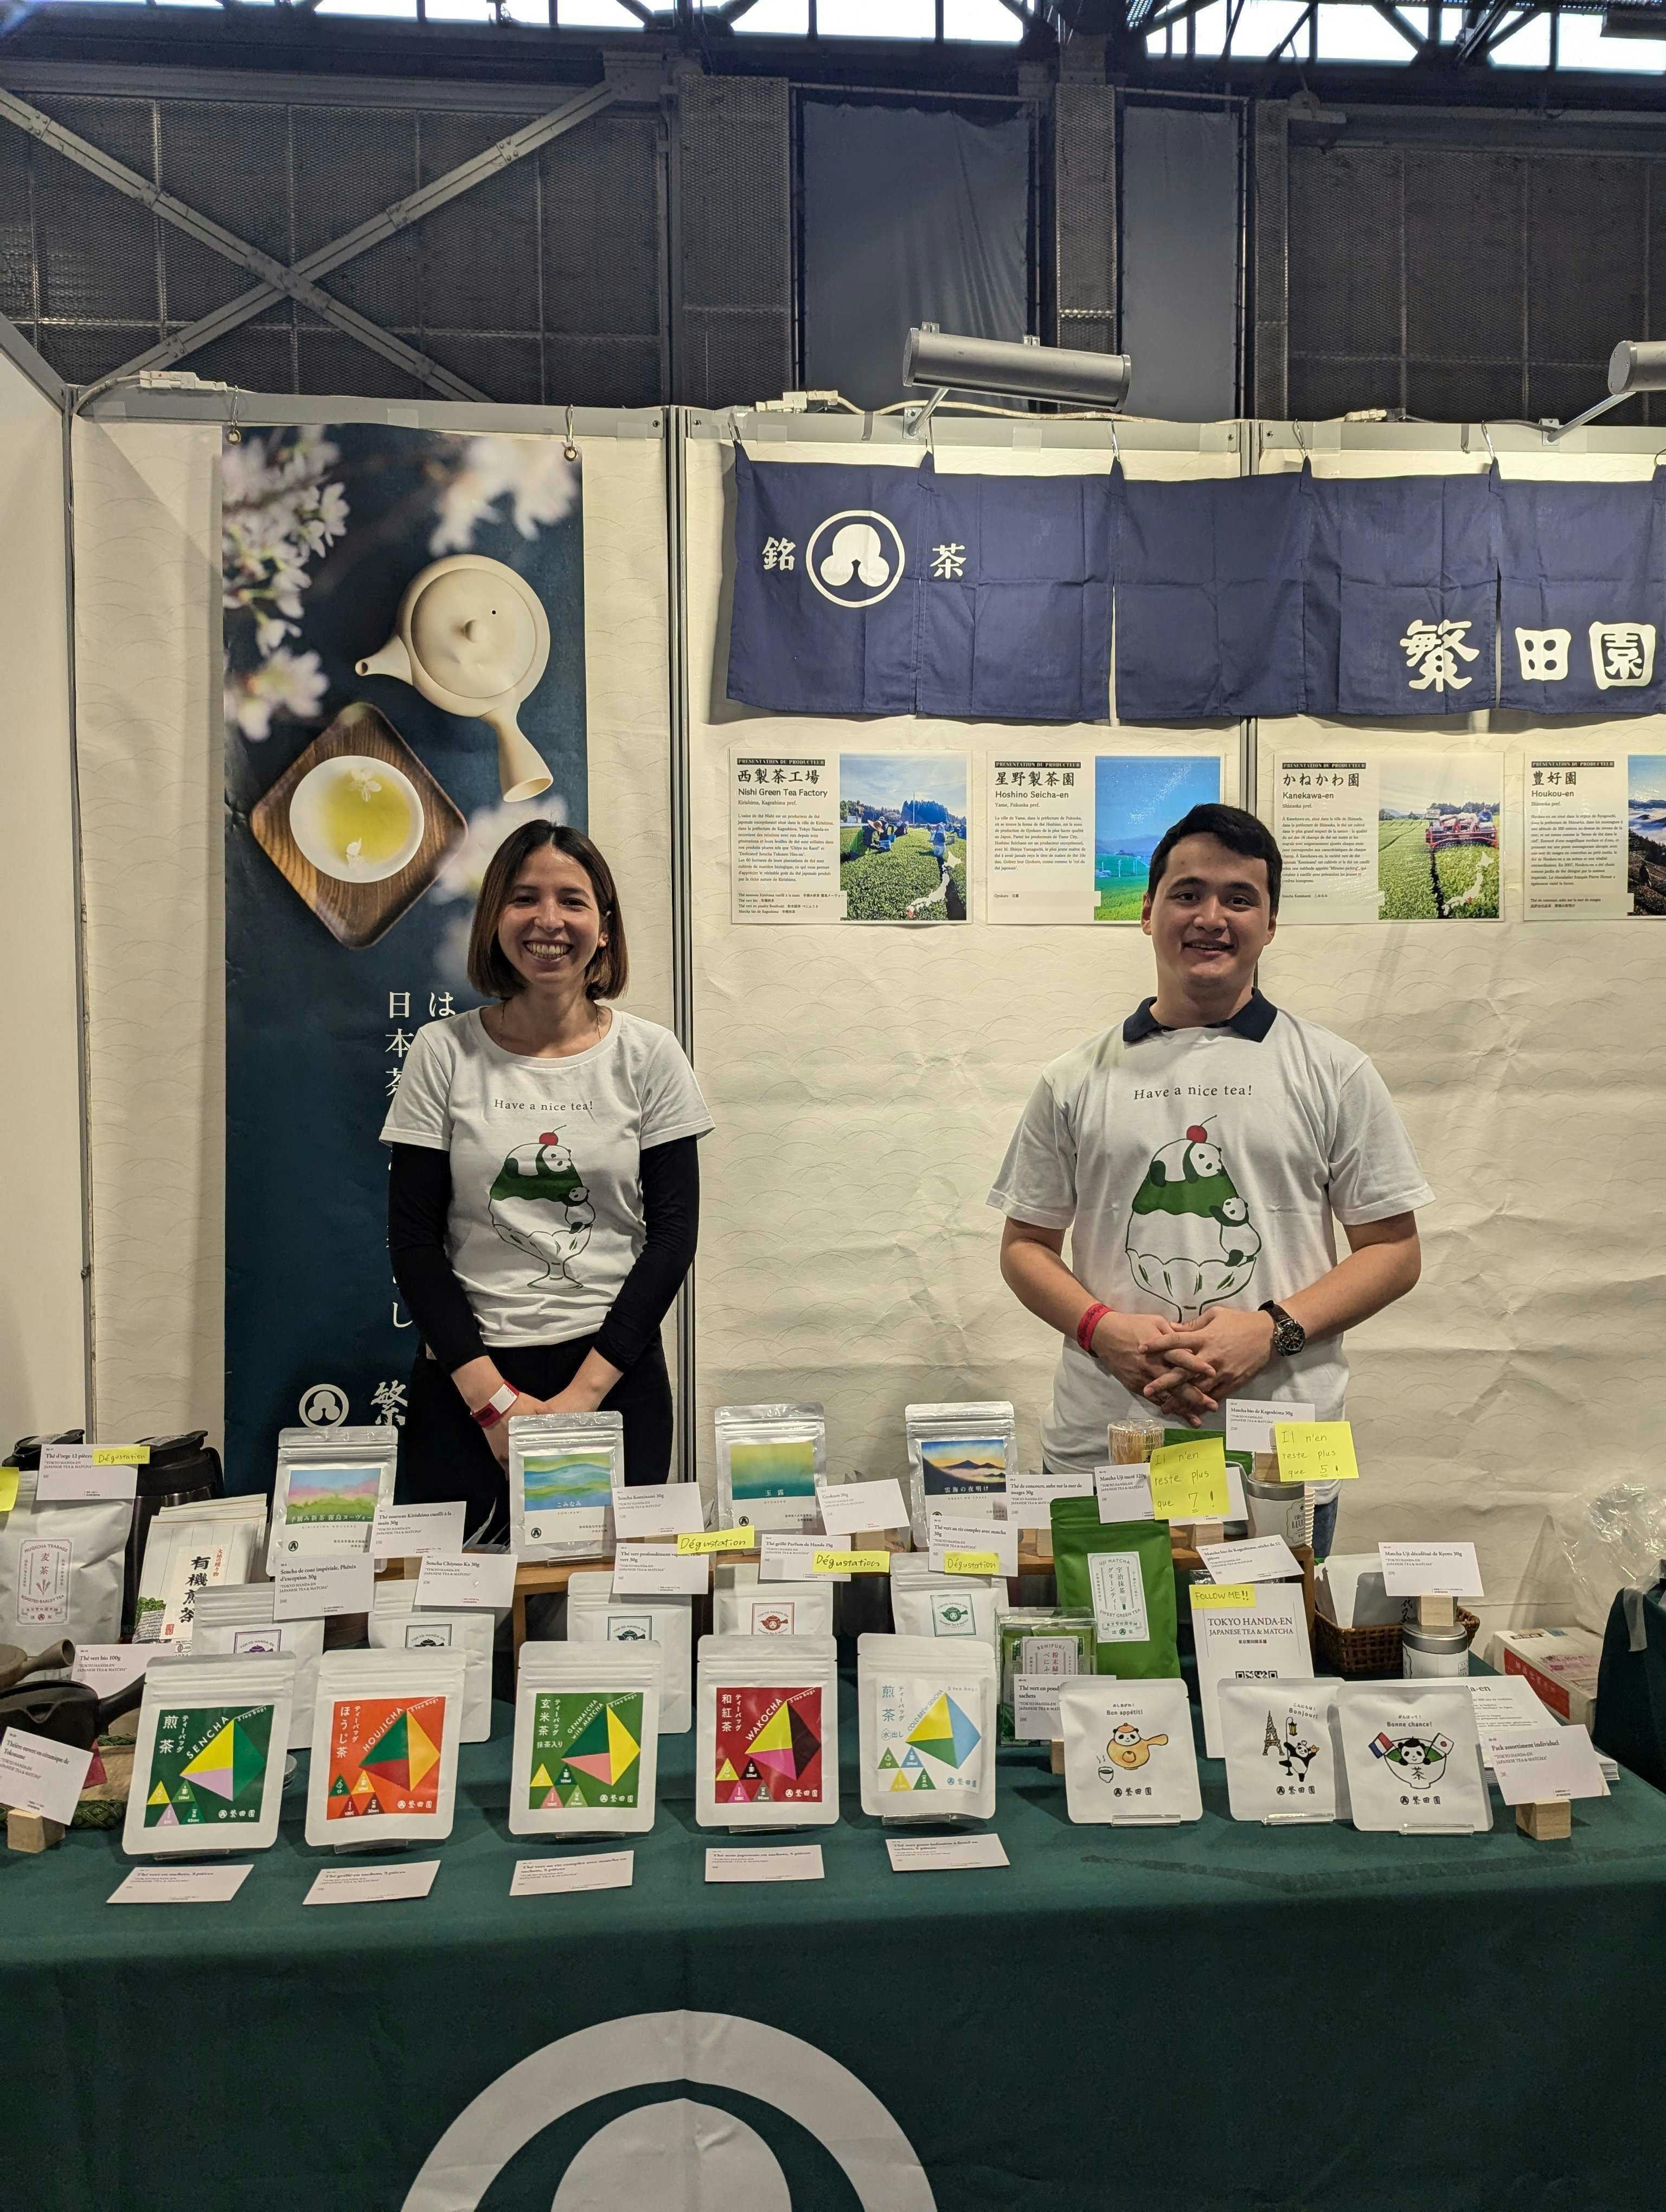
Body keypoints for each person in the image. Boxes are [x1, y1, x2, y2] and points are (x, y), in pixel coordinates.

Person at [989, 802, 1432, 1475]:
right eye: (1188, 894)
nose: (1211, 918)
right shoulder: (1073, 1079)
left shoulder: (1335, 1071)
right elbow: (1025, 1245)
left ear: (1271, 923)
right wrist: (1103, 1331)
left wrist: (1272, 1330)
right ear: (1148, 911)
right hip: (1106, 1443)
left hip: (1281, 1450)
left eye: (1240, 899)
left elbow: (1394, 1251)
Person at [382, 820, 712, 1542]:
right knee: (461, 1598)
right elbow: (413, 1241)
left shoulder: (650, 1056)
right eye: (524, 898)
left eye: (573, 900)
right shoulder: (443, 1052)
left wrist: (580, 1403)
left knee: (604, 1596)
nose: (549, 920)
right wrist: (494, 1404)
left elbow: (673, 1237)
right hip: (467, 1382)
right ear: (494, 917)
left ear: (605, 926)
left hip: (612, 1376)